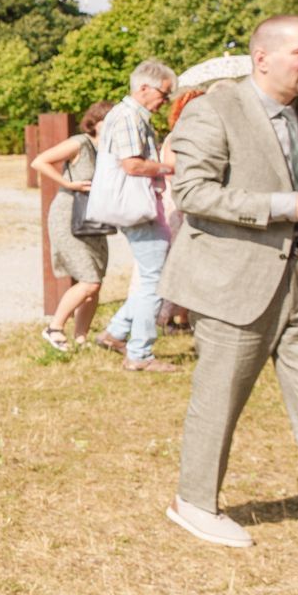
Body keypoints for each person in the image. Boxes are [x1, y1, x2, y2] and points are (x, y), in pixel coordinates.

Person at [158, 15, 298, 571]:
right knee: (220, 399)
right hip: (234, 284)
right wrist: (285, 207)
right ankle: (194, 503)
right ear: (263, 58)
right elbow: (193, 193)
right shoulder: (213, 110)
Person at [93, 59, 181, 372]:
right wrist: (171, 168)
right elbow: (132, 165)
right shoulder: (129, 117)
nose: (165, 101)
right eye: (164, 94)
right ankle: (139, 354)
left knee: (151, 277)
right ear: (144, 88)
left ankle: (115, 333)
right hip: (138, 209)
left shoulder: (127, 114)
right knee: (155, 280)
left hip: (137, 208)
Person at [34, 100, 115, 350]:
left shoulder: (111, 150)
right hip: (69, 215)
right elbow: (40, 161)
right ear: (96, 122)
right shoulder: (80, 143)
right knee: (90, 280)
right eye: (109, 121)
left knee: (96, 281)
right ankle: (54, 328)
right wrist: (68, 183)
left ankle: (81, 338)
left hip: (95, 218)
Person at [156, 87, 207, 333]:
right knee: (178, 260)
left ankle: (184, 316)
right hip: (177, 205)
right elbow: (170, 168)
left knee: (193, 261)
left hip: (188, 204)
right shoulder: (176, 137)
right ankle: (165, 316)